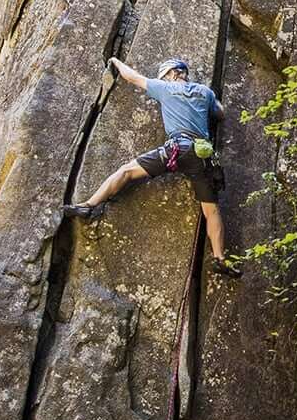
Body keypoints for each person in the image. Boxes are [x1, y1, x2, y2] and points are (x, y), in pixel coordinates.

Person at [63, 56, 240, 278]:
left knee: (126, 171)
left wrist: (116, 61)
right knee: (211, 209)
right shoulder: (204, 92)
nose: (163, 79)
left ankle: (88, 205)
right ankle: (219, 258)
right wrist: (206, 101)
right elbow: (220, 113)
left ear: (173, 73)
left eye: (165, 75)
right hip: (201, 155)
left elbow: (132, 77)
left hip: (176, 149)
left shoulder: (164, 88)